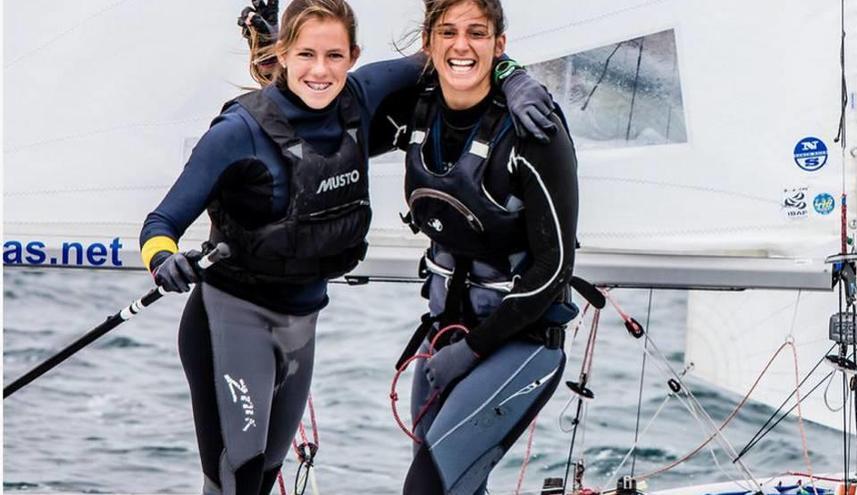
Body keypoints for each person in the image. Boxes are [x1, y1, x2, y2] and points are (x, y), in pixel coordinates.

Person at [139, 1, 556, 494]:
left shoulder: (361, 96)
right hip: (231, 323)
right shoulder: (238, 133)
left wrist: (516, 79)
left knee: (264, 477)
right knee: (235, 483)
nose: (321, 70)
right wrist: (164, 259)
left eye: (335, 56)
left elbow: (457, 53)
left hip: (299, 329)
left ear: (354, 55)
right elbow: (160, 223)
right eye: (307, 55)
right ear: (283, 53)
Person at [369, 0, 581, 492]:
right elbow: (328, 115)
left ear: (498, 44)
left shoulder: (533, 131)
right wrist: (278, 59)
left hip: (517, 345)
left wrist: (473, 351)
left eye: (477, 33)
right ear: (429, 43)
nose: (461, 45)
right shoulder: (417, 111)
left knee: (429, 488)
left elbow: (554, 268)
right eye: (447, 32)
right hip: (444, 339)